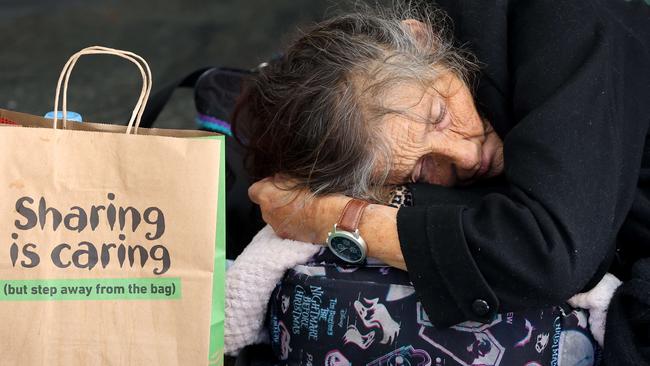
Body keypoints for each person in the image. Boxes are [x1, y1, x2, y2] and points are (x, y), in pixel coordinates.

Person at [242, 1, 650, 364]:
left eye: (439, 115)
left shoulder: (571, 22)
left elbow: (548, 251)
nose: (468, 157)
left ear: (422, 38)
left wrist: (337, 217)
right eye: (421, 171)